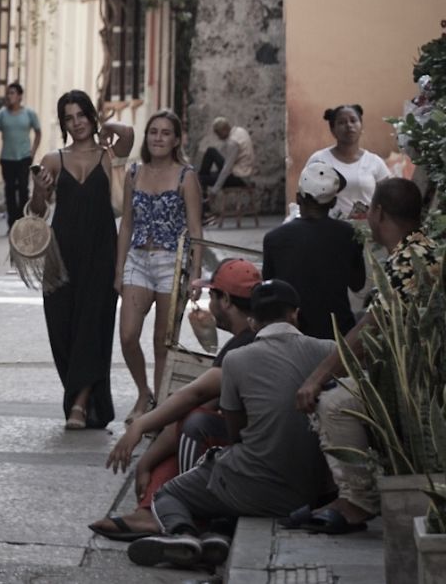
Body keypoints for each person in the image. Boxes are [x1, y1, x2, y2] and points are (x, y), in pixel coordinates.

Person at [127, 279, 334, 572]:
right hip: (310, 491)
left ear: (253, 322)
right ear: (295, 315)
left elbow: (235, 433)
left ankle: (183, 535)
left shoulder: (236, 360)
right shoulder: (329, 350)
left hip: (256, 485)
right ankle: (217, 534)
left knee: (168, 494)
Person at [294, 177, 439, 534]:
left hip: (420, 385)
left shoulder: (409, 259)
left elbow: (370, 329)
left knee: (333, 404)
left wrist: (316, 377)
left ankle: (359, 501)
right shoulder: (419, 249)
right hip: (411, 377)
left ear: (378, 212)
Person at [89, 257, 260, 543]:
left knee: (193, 423)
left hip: (255, 458)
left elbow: (194, 395)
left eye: (211, 295)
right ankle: (150, 511)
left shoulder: (244, 346)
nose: (209, 304)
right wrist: (147, 455)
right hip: (262, 451)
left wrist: (140, 429)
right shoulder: (248, 337)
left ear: (226, 301)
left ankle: (187, 520)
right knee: (187, 422)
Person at [30, 91, 133, 431]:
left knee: (93, 327)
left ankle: (80, 403)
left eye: (81, 115)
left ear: (91, 116)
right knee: (61, 329)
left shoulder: (109, 157)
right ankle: (80, 394)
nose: (76, 123)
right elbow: (37, 212)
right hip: (60, 256)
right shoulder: (53, 159)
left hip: (101, 253)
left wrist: (107, 124)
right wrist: (40, 190)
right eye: (69, 118)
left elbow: (129, 135)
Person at [116, 110, 203, 418]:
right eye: (154, 132)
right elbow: (126, 223)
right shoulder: (134, 173)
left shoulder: (186, 175)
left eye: (166, 133)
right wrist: (119, 269)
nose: (158, 138)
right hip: (137, 259)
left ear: (176, 139)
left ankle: (158, 409)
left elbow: (195, 230)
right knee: (127, 335)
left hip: (171, 263)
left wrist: (195, 274)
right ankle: (143, 393)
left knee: (162, 344)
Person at [262, 159, 366, 340]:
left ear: (298, 198)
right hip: (338, 335)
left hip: (294, 335)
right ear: (333, 203)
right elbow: (358, 284)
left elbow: (270, 286)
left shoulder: (274, 238)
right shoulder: (349, 234)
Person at [304, 105, 390, 221]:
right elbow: (307, 196)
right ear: (333, 130)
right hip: (328, 230)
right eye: (342, 123)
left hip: (366, 231)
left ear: (361, 126)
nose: (349, 125)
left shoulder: (375, 162)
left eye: (353, 120)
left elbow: (388, 198)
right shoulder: (319, 159)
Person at [0, 82, 42, 230]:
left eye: (12, 93)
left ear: (20, 96)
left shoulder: (29, 114)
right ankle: (12, 223)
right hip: (7, 158)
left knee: (23, 190)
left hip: (24, 158)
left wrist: (33, 152)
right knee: (9, 191)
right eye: (8, 93)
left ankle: (22, 222)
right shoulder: (1, 114)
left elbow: (38, 132)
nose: (9, 96)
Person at [198, 116, 254, 201]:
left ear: (224, 131)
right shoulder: (240, 131)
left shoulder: (232, 143)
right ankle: (204, 202)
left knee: (202, 178)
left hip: (239, 178)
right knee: (211, 151)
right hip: (241, 171)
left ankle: (204, 205)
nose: (218, 137)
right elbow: (224, 154)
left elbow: (227, 169)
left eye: (218, 134)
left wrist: (214, 191)